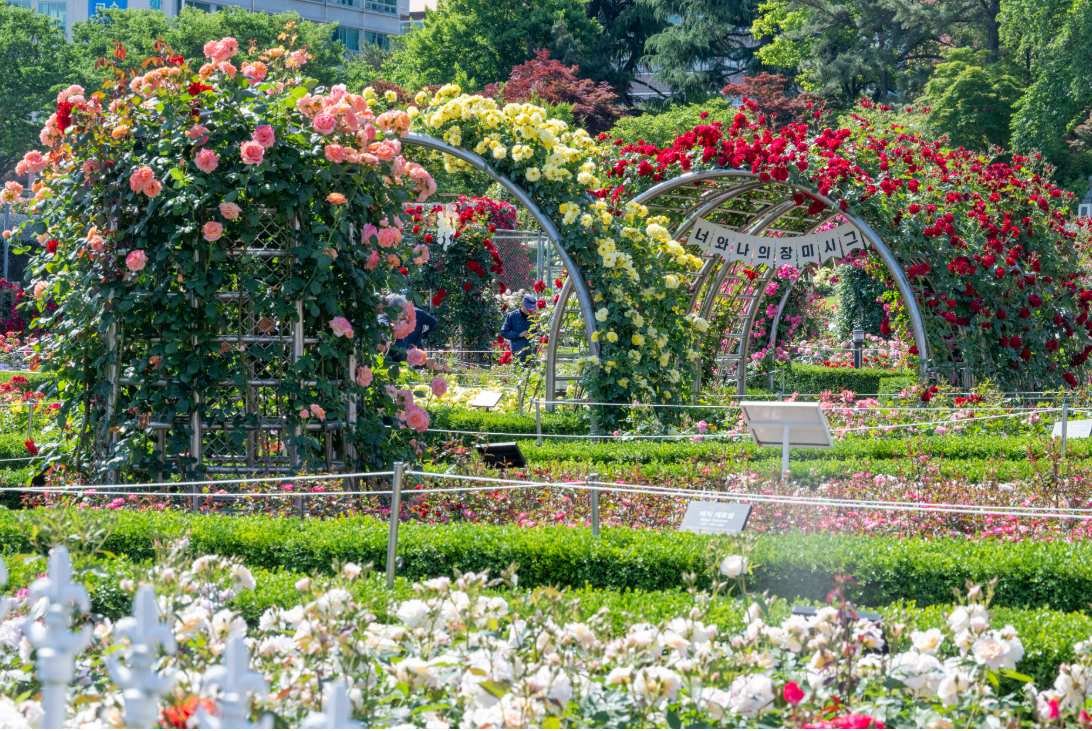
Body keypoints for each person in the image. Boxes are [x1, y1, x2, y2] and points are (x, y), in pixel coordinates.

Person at [501, 294, 539, 362]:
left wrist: (535, 335)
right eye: (528, 308)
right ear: (522, 304)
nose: (530, 310)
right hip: (518, 356)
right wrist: (519, 334)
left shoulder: (535, 316)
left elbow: (539, 332)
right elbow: (504, 332)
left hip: (532, 356)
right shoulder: (512, 316)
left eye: (532, 308)